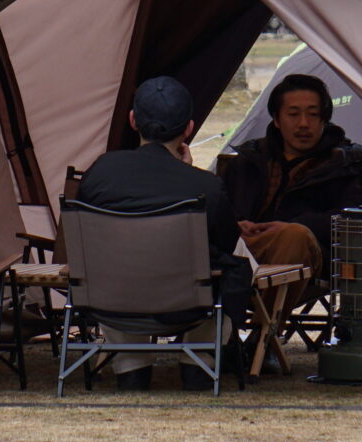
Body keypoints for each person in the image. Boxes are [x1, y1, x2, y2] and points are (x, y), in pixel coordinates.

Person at [75, 75, 246, 391]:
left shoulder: (99, 174)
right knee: (229, 262)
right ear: (189, 128)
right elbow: (225, 244)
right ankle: (198, 362)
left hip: (111, 301)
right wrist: (188, 172)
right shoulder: (204, 187)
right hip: (186, 305)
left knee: (119, 262)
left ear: (132, 120)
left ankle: (131, 366)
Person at [222, 73, 362, 312]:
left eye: (313, 114)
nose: (303, 123)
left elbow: (355, 221)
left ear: (324, 119)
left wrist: (292, 226)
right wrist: (237, 224)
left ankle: (262, 336)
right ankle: (205, 327)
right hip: (248, 248)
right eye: (294, 114)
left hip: (313, 255)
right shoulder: (250, 159)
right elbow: (222, 207)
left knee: (294, 235)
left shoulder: (346, 163)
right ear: (277, 119)